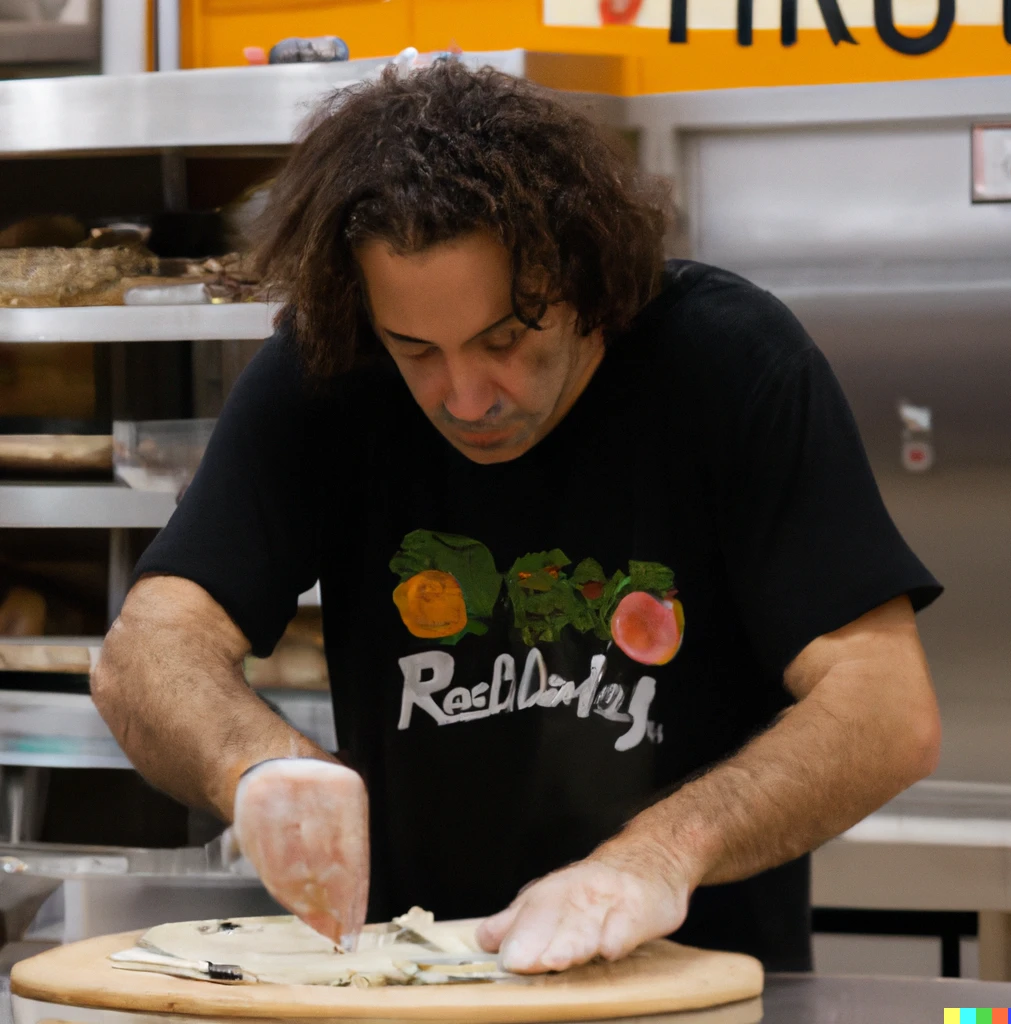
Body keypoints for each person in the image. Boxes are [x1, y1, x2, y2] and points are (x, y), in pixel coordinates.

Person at [92, 59, 942, 975]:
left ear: (585, 276)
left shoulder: (730, 364)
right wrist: (257, 767)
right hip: (417, 986)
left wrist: (657, 855)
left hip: (692, 991)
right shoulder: (328, 368)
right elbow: (148, 652)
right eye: (416, 350)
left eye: (505, 339)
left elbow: (886, 707)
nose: (463, 397)